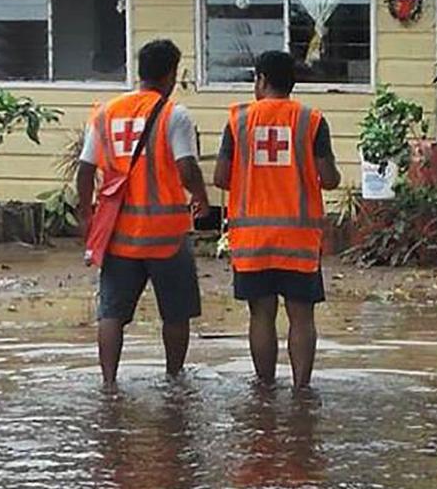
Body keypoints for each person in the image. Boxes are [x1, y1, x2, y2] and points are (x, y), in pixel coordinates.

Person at [75, 38, 210, 385]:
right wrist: (200, 196)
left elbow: (85, 170)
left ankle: (108, 384)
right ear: (170, 74)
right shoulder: (173, 114)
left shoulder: (105, 113)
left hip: (119, 233)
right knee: (176, 313)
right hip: (166, 235)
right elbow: (186, 167)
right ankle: (174, 378)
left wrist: (87, 214)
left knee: (112, 313)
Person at [213, 48, 341, 390]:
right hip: (298, 242)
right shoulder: (311, 120)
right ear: (293, 83)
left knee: (261, 315)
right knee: (302, 317)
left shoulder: (238, 120)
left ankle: (265, 387)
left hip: (253, 241)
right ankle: (301, 390)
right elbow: (329, 179)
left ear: (261, 80)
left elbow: (221, 177)